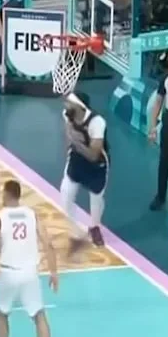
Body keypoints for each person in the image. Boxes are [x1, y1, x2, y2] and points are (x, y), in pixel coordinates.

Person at [0, 179, 58, 337]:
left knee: (2, 313)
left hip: (9, 273)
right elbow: (48, 244)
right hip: (30, 273)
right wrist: (54, 272)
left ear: (7, 195)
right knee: (39, 316)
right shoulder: (32, 214)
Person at [60, 91, 109, 251]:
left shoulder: (97, 122)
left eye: (69, 103)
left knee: (96, 199)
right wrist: (69, 150)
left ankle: (94, 227)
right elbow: (68, 133)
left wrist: (76, 144)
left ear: (79, 106)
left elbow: (94, 155)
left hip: (96, 165)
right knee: (65, 197)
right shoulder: (68, 114)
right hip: (76, 160)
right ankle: (76, 232)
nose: (66, 106)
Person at [149, 51, 168, 211]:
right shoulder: (166, 79)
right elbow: (158, 103)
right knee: (164, 161)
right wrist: (153, 127)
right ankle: (160, 197)